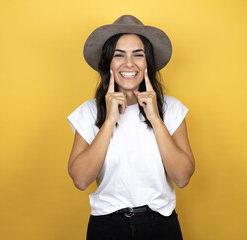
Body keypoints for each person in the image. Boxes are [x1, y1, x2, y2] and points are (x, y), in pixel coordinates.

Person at [67, 15, 195, 240]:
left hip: (160, 225)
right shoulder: (88, 112)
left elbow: (182, 177)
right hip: (107, 226)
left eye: (138, 54)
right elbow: (80, 180)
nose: (129, 63)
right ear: (109, 63)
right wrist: (108, 121)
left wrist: (155, 118)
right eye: (119, 55)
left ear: (148, 63)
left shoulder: (172, 109)